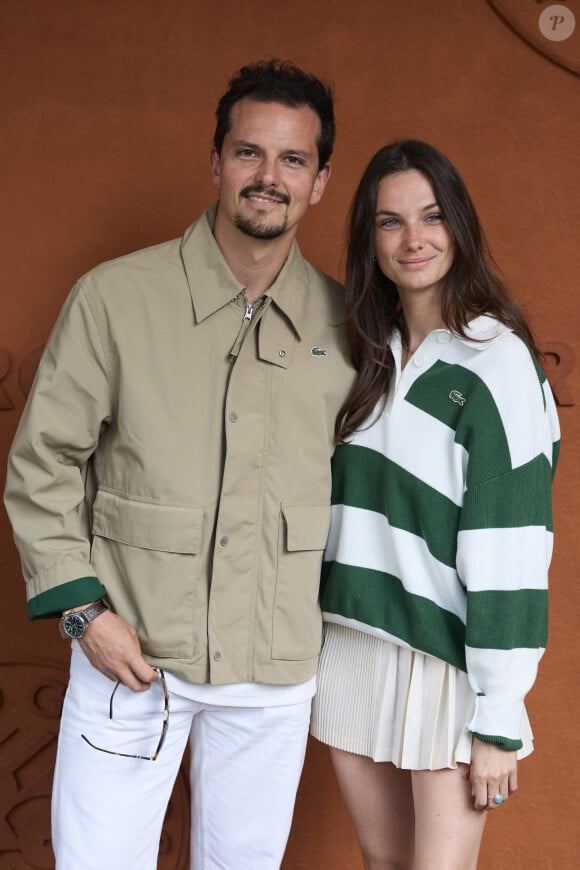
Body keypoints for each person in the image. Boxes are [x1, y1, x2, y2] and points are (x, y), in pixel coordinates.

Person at [4, 59, 354, 870]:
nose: (268, 177)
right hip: (131, 659)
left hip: (272, 675)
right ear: (216, 162)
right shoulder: (115, 298)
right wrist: (84, 614)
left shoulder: (349, 325)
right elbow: (43, 462)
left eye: (292, 159)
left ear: (321, 180)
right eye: (248, 153)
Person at [310, 139, 560, 870]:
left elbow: (512, 548)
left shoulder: (498, 363)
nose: (412, 239)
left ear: (459, 226)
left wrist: (499, 718)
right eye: (390, 222)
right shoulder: (366, 350)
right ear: (369, 239)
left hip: (445, 663)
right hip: (352, 646)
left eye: (431, 216)